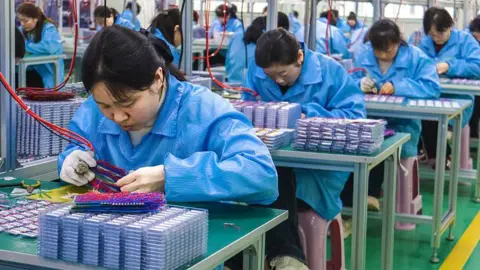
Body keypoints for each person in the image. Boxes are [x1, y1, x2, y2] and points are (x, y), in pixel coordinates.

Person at [244, 29, 365, 266]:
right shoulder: (257, 71)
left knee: (274, 180)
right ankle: (284, 256)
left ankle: (286, 256)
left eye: (282, 74)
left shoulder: (331, 72)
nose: (277, 81)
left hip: (317, 170)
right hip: (272, 161)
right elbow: (247, 104)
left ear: (299, 57)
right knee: (259, 180)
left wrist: (307, 113)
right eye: (270, 76)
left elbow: (355, 116)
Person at [351, 19, 441, 230]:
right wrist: (359, 84)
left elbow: (432, 87)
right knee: (361, 146)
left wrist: (398, 86)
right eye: (377, 50)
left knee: (387, 145)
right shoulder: (363, 53)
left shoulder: (416, 57)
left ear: (398, 42)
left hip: (403, 126)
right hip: (368, 121)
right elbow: (347, 81)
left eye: (388, 50)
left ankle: (377, 197)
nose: (382, 55)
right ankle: (359, 201)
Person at [416, 7, 480, 161]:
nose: (436, 38)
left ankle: (441, 156)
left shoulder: (465, 41)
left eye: (440, 34)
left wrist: (449, 66)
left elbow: (477, 66)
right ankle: (437, 155)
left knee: (432, 119)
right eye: (432, 35)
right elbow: (416, 65)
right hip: (430, 95)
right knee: (419, 116)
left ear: (450, 26)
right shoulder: (425, 44)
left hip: (457, 98)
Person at [226, 12, 290, 84]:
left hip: (232, 84)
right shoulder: (271, 39)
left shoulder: (237, 35)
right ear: (281, 29)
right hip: (257, 87)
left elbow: (228, 63)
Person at [17, 2, 64, 89]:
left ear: (36, 18)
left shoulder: (49, 29)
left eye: (25, 21)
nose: (22, 24)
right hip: (30, 73)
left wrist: (25, 47)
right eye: (20, 21)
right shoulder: (21, 30)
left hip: (49, 77)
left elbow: (49, 47)